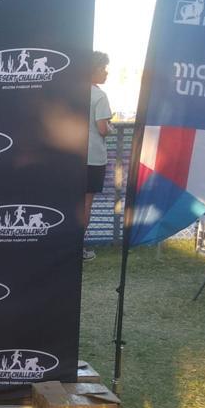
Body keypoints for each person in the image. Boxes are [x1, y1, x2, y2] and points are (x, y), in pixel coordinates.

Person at [85, 50, 113, 261]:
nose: (106, 72)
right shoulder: (99, 96)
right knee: (86, 204)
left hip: (70, 157)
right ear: (93, 70)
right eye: (103, 68)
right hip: (92, 158)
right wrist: (110, 128)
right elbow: (102, 128)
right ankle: (78, 247)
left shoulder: (71, 91)